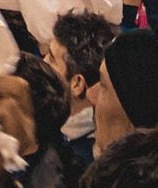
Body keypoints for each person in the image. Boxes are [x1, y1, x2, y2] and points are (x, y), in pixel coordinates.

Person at [47, 13, 118, 172]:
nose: (42, 62)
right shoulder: (57, 134)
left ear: (77, 84)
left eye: (51, 59)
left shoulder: (82, 162)